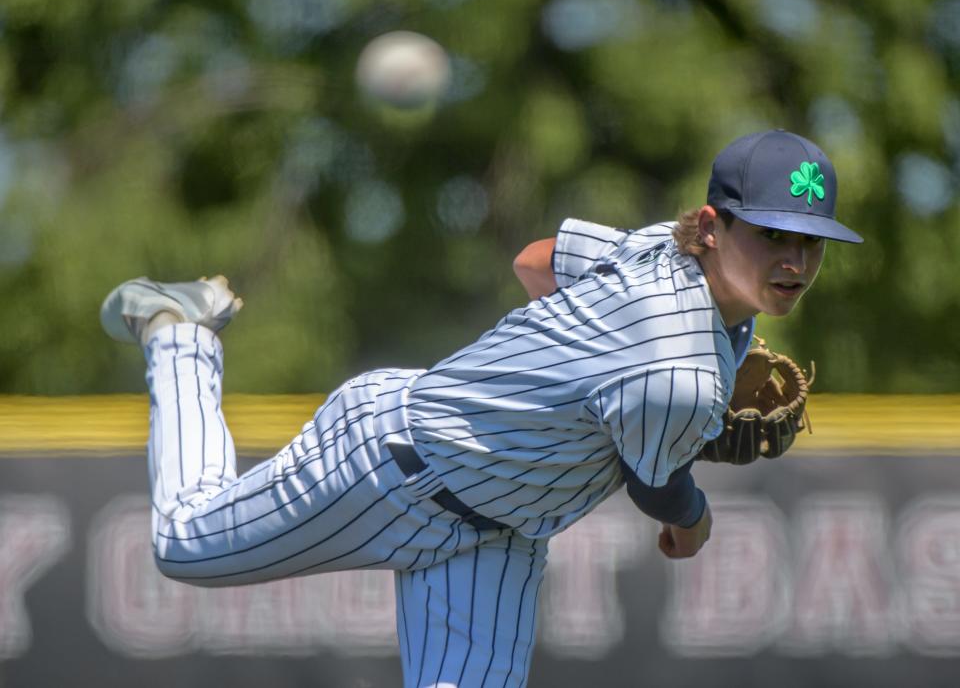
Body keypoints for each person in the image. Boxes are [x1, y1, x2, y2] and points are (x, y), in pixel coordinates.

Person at [100, 129, 862, 687]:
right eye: (772, 235)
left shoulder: (653, 248)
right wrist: (693, 524)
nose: (793, 261)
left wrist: (577, 356)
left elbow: (533, 261)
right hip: (390, 466)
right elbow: (658, 489)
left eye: (811, 241)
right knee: (182, 540)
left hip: (499, 538)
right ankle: (182, 335)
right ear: (712, 224)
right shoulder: (679, 372)